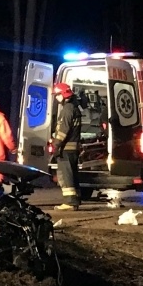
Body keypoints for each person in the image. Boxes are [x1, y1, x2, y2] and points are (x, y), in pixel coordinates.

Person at [52, 82, 83, 211]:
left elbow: (63, 130)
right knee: (72, 174)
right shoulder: (74, 107)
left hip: (66, 148)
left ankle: (70, 202)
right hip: (73, 148)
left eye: (57, 95)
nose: (56, 98)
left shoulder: (67, 109)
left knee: (66, 175)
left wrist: (55, 145)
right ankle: (75, 199)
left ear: (63, 94)